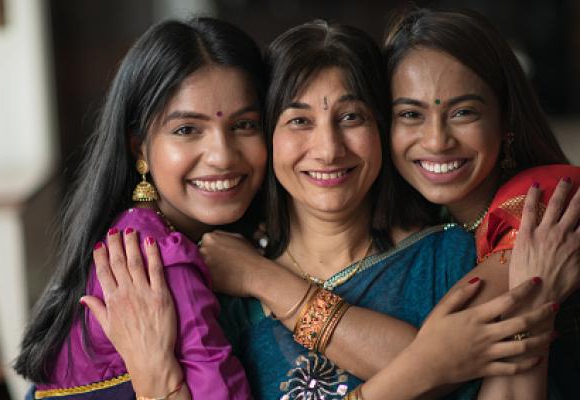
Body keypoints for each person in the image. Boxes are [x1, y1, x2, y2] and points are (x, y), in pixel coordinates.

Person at [91, 20, 562, 399]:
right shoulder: (217, 290)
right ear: (267, 137)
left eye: (351, 117)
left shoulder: (454, 261)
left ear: (383, 127)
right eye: (298, 120)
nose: (328, 148)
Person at [13, 17, 268, 399]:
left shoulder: (132, 230)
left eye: (244, 125)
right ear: (139, 147)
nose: (222, 155)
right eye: (187, 129)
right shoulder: (153, 259)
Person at [384, 6, 580, 398]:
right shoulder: (432, 220)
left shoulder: (548, 203)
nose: (437, 141)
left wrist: (265, 280)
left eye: (463, 112)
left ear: (506, 120)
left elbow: (438, 362)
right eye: (410, 114)